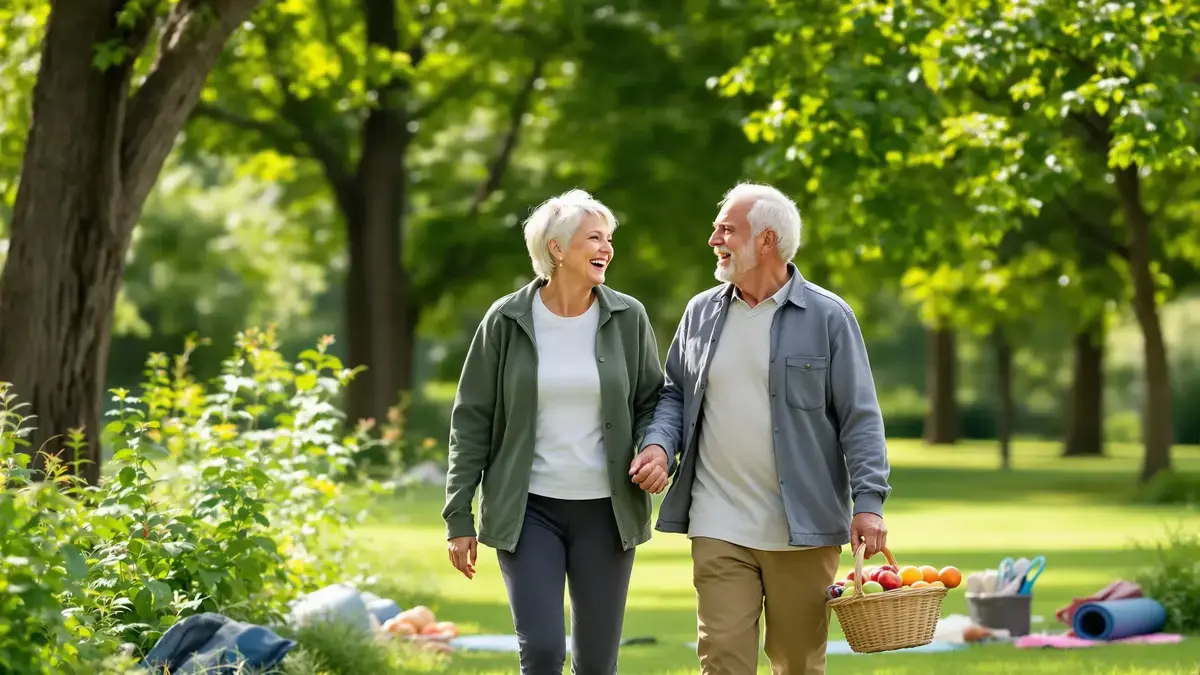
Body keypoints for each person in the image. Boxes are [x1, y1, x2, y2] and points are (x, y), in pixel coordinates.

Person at [628, 182, 892, 674]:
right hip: (717, 519)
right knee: (723, 657)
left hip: (802, 528)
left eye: (726, 229)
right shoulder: (701, 312)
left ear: (766, 240)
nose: (713, 239)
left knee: (796, 661)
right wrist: (660, 446)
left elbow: (860, 417)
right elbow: (674, 394)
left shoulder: (829, 317)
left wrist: (870, 504)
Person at [441, 189, 667, 675]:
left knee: (595, 662)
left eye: (609, 238)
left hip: (606, 514)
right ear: (557, 249)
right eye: (594, 238)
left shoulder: (629, 317)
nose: (606, 248)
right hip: (529, 511)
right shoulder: (506, 319)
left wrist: (656, 447)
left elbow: (653, 401)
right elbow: (471, 419)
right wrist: (459, 517)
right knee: (542, 651)